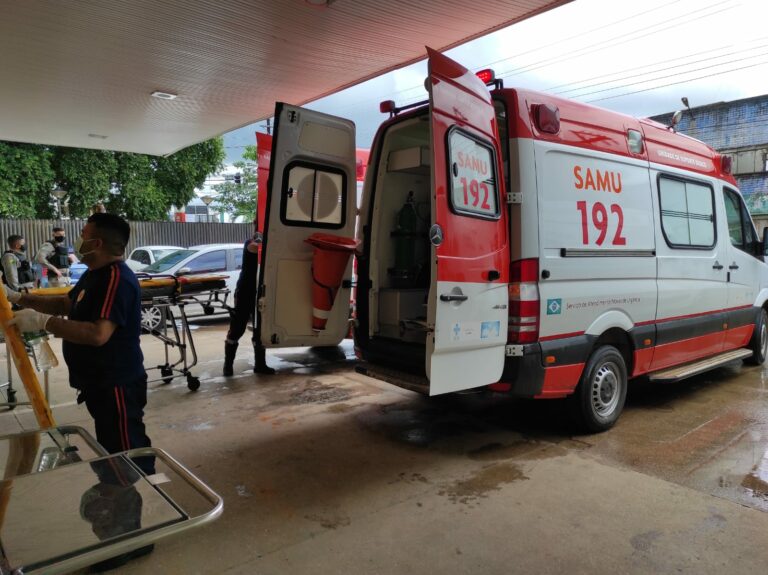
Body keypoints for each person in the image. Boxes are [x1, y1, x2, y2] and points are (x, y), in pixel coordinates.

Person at [7, 213, 154, 471]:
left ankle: (142, 500)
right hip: (99, 382)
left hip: (116, 383)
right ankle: (117, 497)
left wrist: (44, 323)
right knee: (110, 449)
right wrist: (20, 298)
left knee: (125, 453)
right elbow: (67, 303)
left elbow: (98, 334)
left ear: (96, 243)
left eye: (84, 235)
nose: (77, 240)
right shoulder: (94, 274)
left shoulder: (115, 278)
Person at [223, 219, 274, 376]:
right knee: (238, 328)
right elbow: (254, 247)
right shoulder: (250, 243)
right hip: (245, 291)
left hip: (260, 291)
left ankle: (260, 365)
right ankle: (228, 366)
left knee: (260, 329)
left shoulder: (267, 246)